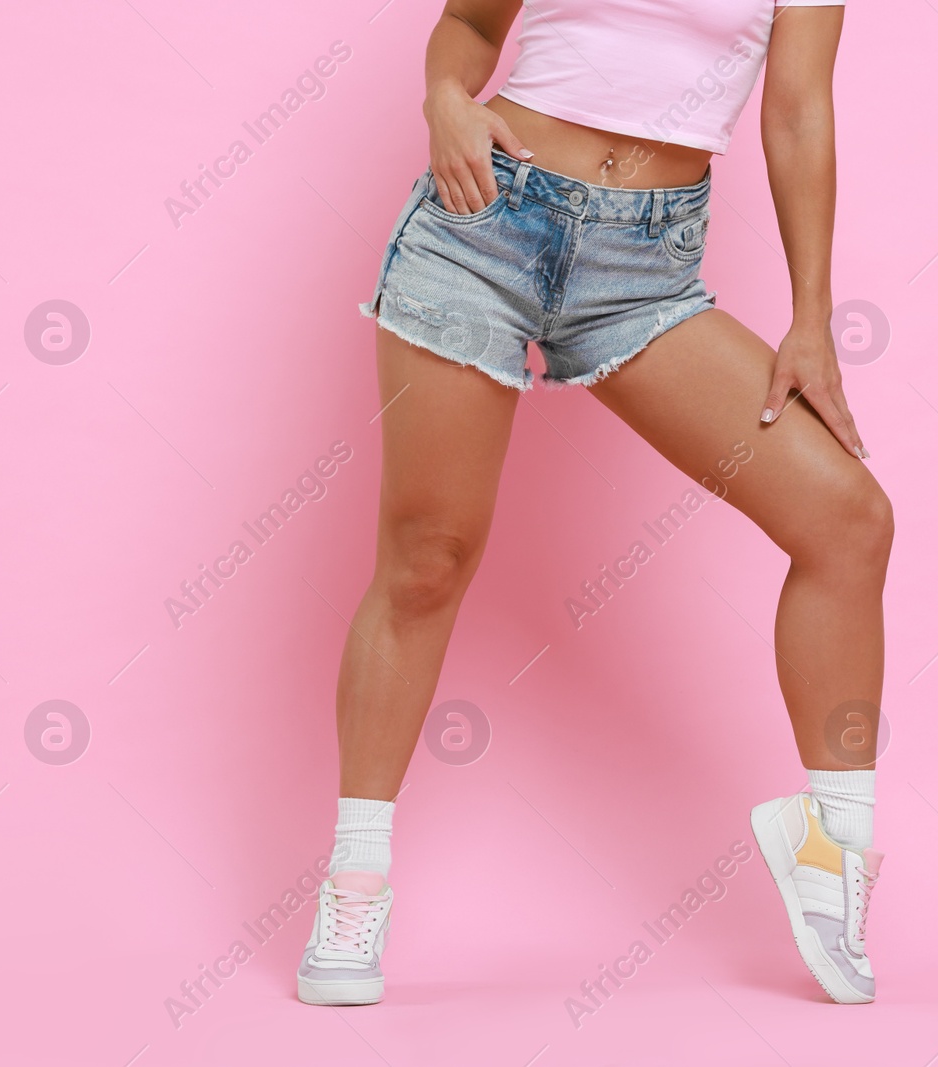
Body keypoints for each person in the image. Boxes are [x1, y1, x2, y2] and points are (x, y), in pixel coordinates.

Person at [295, 0, 893, 1008]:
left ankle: (834, 843)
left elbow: (796, 111)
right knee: (427, 556)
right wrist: (444, 96)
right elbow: (470, 27)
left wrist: (811, 320)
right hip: (483, 219)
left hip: (643, 266)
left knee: (847, 518)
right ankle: (353, 879)